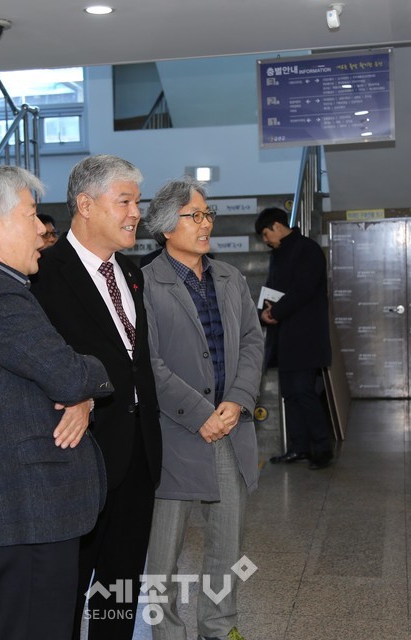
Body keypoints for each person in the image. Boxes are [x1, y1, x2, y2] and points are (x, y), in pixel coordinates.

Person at [0, 165, 113, 640]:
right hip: (29, 506)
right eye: (32, 215)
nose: (42, 229)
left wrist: (81, 397)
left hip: (22, 506)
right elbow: (68, 373)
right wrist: (91, 381)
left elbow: (58, 376)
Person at [31, 154, 162, 640]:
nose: (136, 213)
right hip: (77, 459)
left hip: (138, 455)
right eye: (124, 201)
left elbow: (135, 362)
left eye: (138, 201)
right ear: (85, 205)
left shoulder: (131, 272)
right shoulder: (43, 273)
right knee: (66, 588)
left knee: (120, 588)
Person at [142, 178, 263, 640]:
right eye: (196, 216)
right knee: (163, 555)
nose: (205, 223)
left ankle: (220, 627)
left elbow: (252, 340)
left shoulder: (231, 278)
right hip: (176, 436)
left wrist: (237, 400)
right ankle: (166, 633)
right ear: (167, 226)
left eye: (208, 214)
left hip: (230, 432)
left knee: (226, 546)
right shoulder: (147, 284)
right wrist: (200, 412)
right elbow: (146, 363)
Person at [254, 207, 334, 470]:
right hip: (285, 337)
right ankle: (298, 448)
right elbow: (273, 288)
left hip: (306, 336)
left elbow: (303, 290)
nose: (266, 240)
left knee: (303, 391)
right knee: (290, 394)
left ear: (277, 226)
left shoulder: (307, 249)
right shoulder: (278, 254)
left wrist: (275, 312)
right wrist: (264, 310)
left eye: (266, 234)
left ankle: (322, 448)